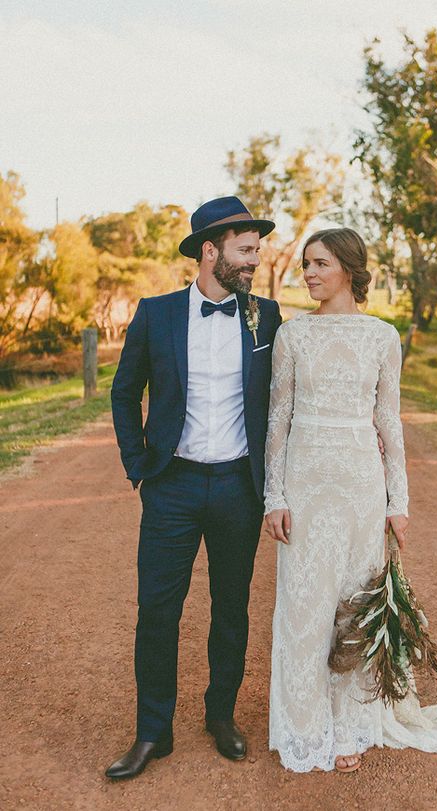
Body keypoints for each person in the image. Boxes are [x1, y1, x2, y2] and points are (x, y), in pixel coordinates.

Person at [264, 227, 437, 773]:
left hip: (362, 481)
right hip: (306, 481)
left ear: (347, 268)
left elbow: (389, 421)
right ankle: (305, 725)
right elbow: (277, 421)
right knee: (305, 601)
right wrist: (274, 495)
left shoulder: (383, 337)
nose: (309, 273)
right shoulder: (292, 336)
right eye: (307, 264)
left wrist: (397, 501)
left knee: (355, 604)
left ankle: (350, 723)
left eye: (319, 264)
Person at [106, 196, 281, 780]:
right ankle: (153, 732)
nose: (255, 259)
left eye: (256, 249)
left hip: (238, 486)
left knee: (231, 608)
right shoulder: (155, 314)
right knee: (157, 611)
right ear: (212, 250)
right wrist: (139, 468)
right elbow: (124, 393)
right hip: (171, 487)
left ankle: (221, 716)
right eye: (246, 248)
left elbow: (288, 400)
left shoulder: (267, 317)